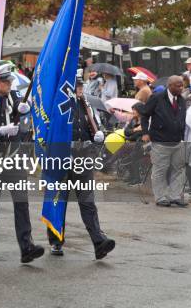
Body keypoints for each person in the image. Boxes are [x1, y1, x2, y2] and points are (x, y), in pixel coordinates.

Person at [0, 63, 45, 264]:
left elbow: (18, 104)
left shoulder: (12, 95)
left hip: (12, 156)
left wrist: (22, 108)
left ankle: (26, 246)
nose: (9, 84)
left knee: (21, 201)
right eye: (5, 81)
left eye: (10, 80)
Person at [47, 80, 115, 260]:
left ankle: (98, 241)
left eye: (81, 87)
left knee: (87, 201)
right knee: (58, 200)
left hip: (83, 157)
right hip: (62, 157)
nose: (79, 90)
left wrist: (97, 135)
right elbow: (51, 130)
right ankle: (55, 240)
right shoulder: (59, 104)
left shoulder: (86, 105)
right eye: (76, 87)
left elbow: (92, 128)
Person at [139, 75, 188, 207]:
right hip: (160, 141)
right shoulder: (157, 98)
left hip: (177, 141)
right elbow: (144, 114)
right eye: (178, 85)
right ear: (170, 86)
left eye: (182, 85)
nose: (181, 88)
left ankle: (175, 196)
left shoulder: (182, 100)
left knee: (178, 170)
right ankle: (160, 197)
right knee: (160, 169)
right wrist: (145, 133)